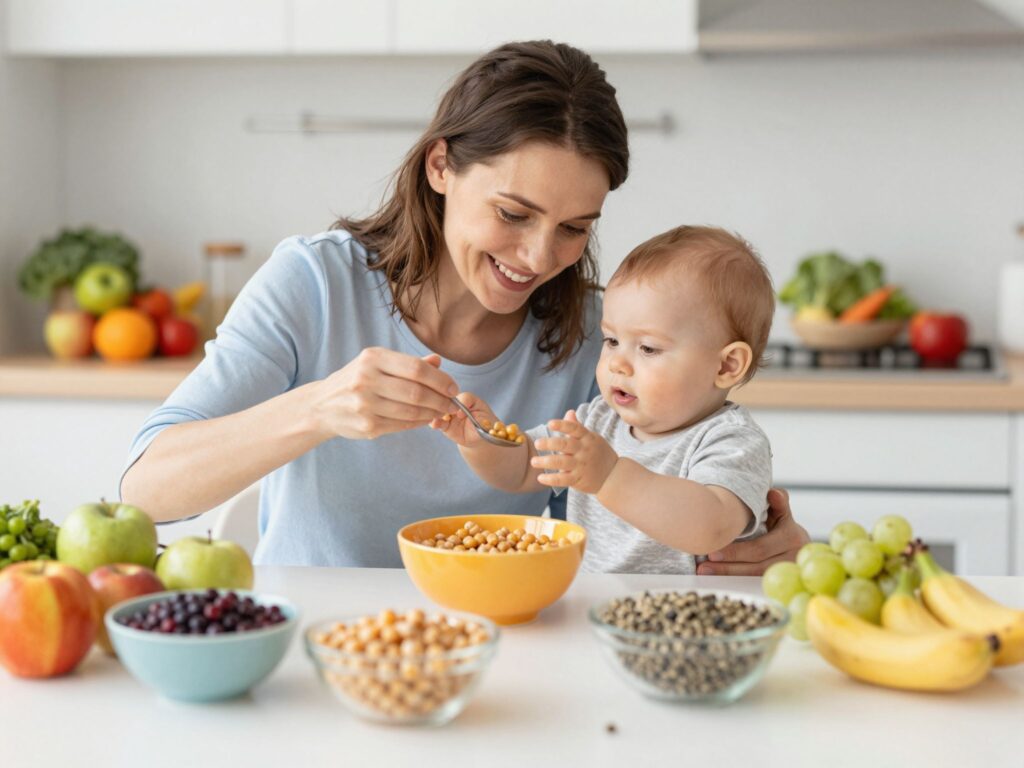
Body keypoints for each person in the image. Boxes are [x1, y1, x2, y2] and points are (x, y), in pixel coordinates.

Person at [119, 40, 807, 571]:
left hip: (509, 645)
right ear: (441, 166)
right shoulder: (316, 283)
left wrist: (767, 543)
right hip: (318, 644)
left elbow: (648, 512)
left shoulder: (603, 340)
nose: (538, 257)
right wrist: (319, 408)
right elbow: (145, 492)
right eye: (513, 213)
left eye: (574, 228)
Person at [433, 226, 775, 574]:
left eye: (648, 348)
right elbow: (523, 467)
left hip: (695, 606)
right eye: (611, 341)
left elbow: (709, 527)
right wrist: (482, 441)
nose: (617, 363)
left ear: (726, 366)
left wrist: (610, 477)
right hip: (600, 601)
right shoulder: (597, 420)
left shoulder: (731, 441)